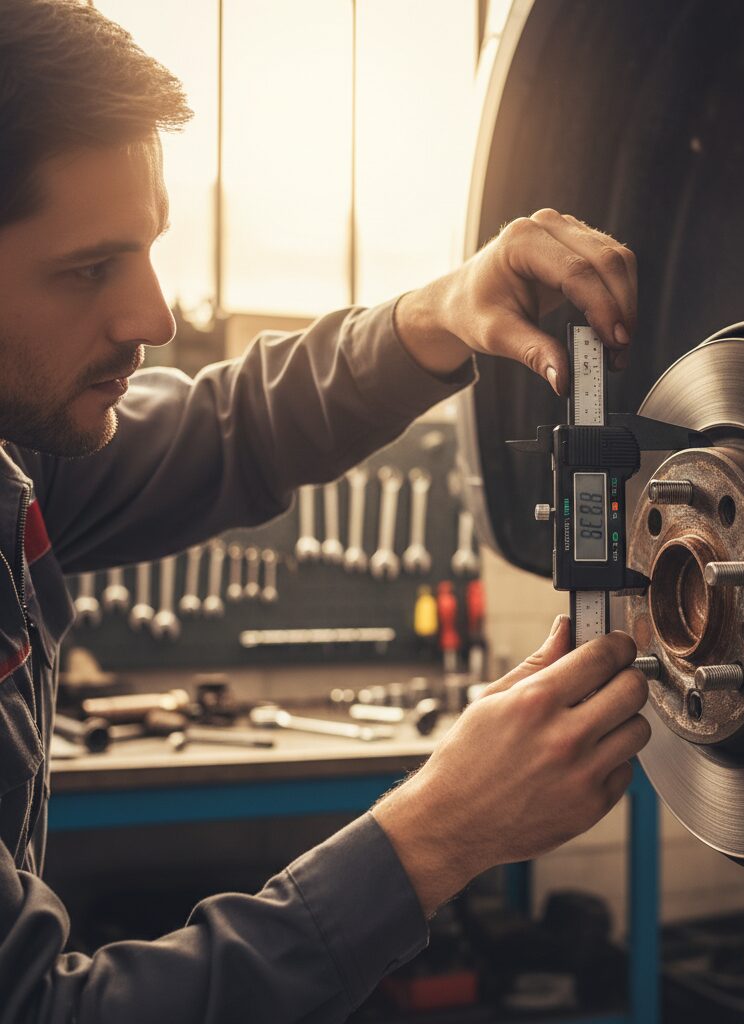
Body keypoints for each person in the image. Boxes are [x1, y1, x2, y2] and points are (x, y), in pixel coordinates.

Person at [0, 2, 651, 1021]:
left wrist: (436, 312)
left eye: (147, 249)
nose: (156, 317)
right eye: (89, 268)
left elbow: (231, 430)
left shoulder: (18, 452)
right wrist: (436, 832)